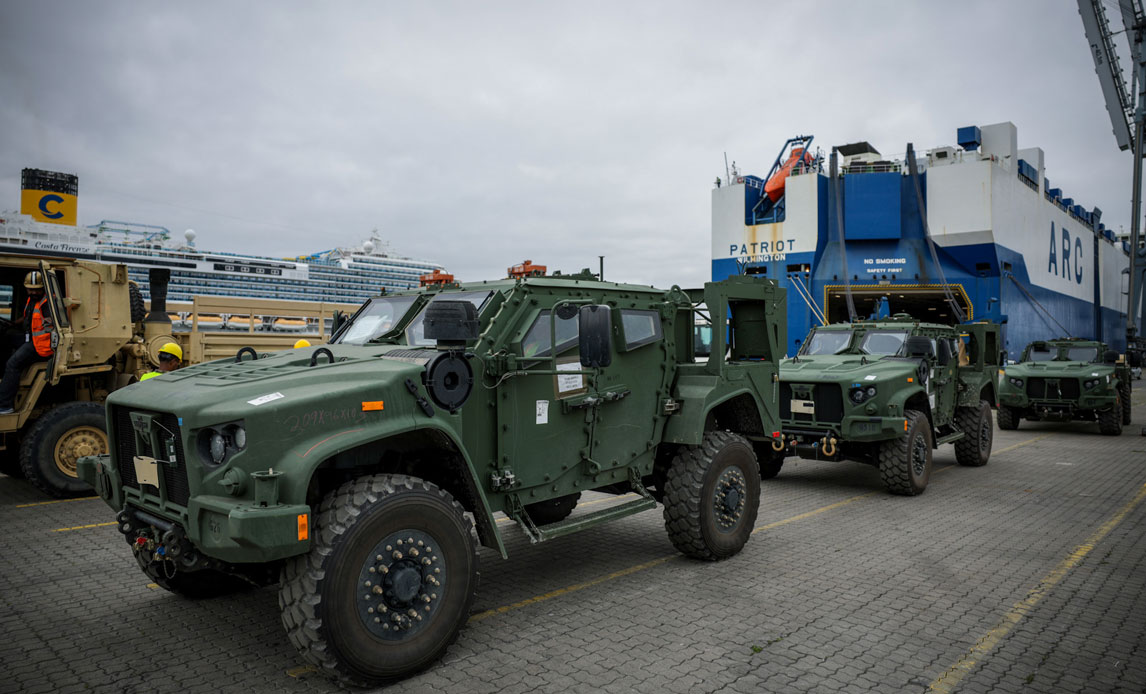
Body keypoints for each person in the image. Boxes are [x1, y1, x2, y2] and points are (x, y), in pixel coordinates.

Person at [0, 272, 55, 414]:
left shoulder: (48, 304)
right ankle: (5, 378)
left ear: (43, 288)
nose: (34, 292)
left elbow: (52, 327)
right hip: (31, 339)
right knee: (6, 338)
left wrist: (49, 326)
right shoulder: (33, 301)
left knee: (13, 364)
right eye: (31, 289)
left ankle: (5, 406)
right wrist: (11, 324)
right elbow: (27, 319)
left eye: (37, 289)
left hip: (41, 346)